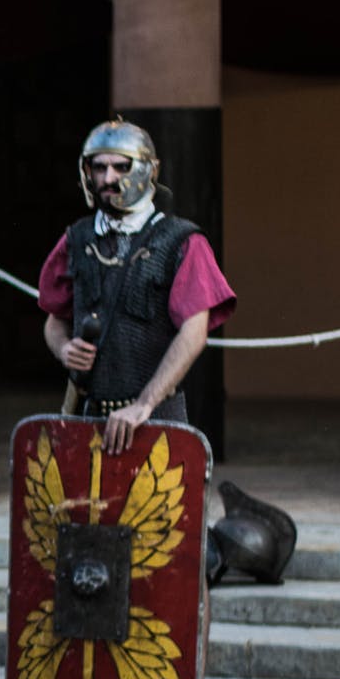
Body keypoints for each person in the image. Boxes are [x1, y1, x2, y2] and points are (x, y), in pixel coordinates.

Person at [38, 119, 236, 454]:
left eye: (120, 166)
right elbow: (55, 320)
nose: (108, 178)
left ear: (146, 170)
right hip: (88, 416)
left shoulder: (181, 241)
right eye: (98, 168)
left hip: (155, 417)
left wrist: (144, 404)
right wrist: (64, 349)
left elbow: (194, 332)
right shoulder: (77, 239)